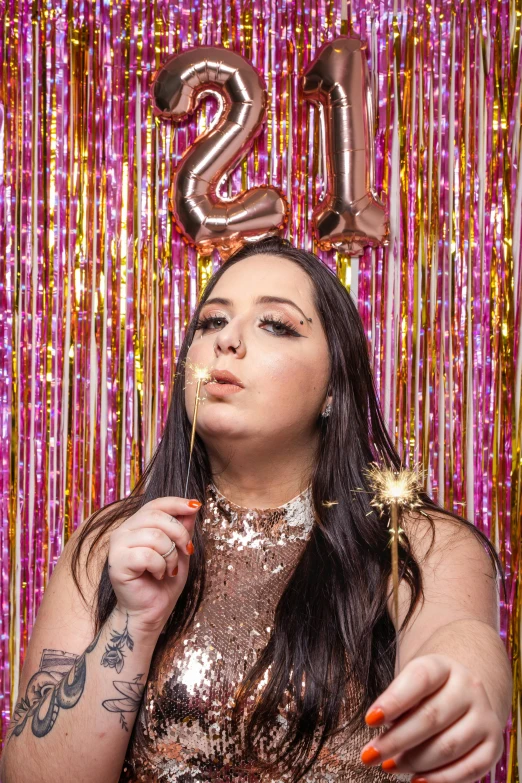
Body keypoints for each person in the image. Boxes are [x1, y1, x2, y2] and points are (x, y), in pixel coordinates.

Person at [1, 237, 512, 783]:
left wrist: (465, 681)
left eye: (276, 324)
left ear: (335, 386)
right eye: (210, 322)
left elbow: (459, 633)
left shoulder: (413, 539)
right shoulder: (108, 543)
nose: (227, 341)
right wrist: (133, 621)